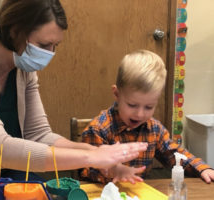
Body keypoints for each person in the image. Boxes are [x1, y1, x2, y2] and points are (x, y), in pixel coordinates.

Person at [0, 0, 147, 180]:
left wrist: (99, 154)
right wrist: (90, 157)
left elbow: (40, 135)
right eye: (44, 45)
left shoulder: (23, 65)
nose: (50, 54)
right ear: (15, 31)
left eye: (55, 46)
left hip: (0, 178)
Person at [81, 49, 214, 184]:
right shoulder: (98, 129)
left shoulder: (154, 129)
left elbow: (175, 154)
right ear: (117, 94)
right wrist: (111, 170)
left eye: (149, 107)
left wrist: (202, 169)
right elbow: (86, 171)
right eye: (132, 105)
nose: (140, 114)